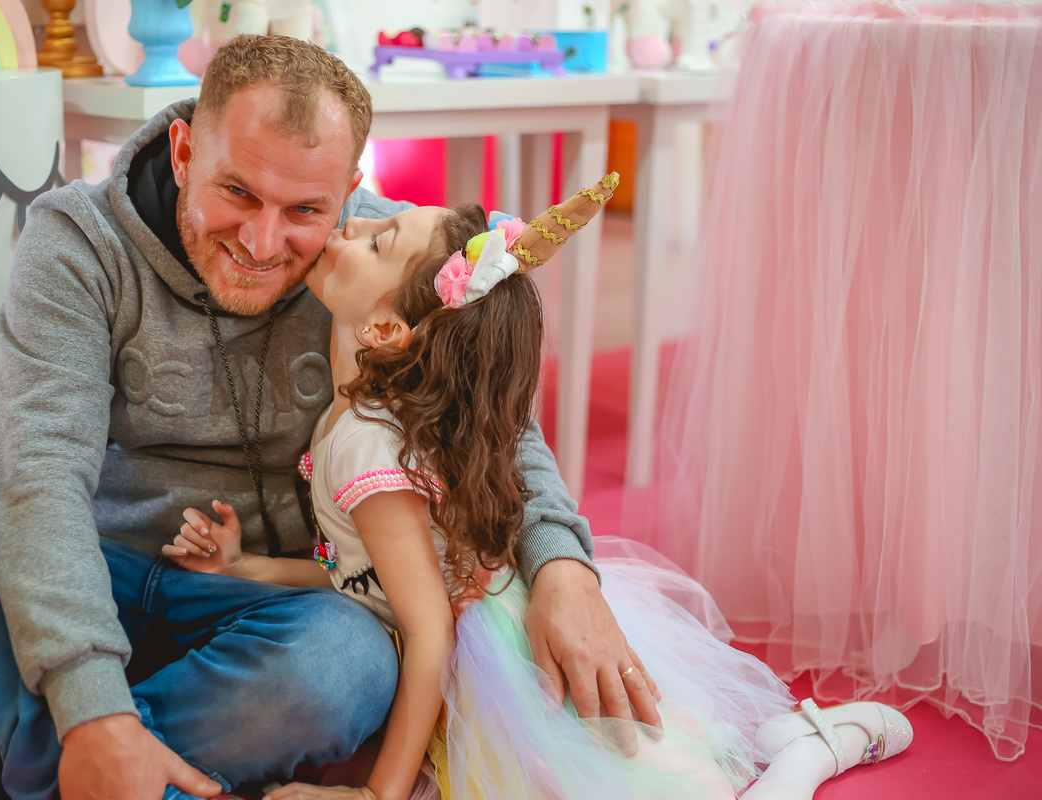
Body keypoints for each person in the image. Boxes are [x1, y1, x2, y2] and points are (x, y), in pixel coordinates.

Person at [0, 35, 655, 800]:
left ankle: (30, 755)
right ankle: (95, 741)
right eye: (237, 192)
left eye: (306, 209)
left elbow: (492, 423)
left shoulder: (376, 257)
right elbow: (38, 473)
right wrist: (91, 698)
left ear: (349, 188)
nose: (265, 242)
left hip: (275, 606)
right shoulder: (76, 240)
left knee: (345, 665)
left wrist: (562, 568)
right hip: (102, 567)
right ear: (185, 150)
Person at [164, 176, 916, 800]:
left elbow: (426, 629)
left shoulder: (363, 440)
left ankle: (811, 754)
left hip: (501, 670)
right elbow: (361, 578)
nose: (349, 228)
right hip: (465, 661)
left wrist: (375, 796)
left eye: (376, 237)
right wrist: (247, 568)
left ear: (390, 332)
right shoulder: (369, 412)